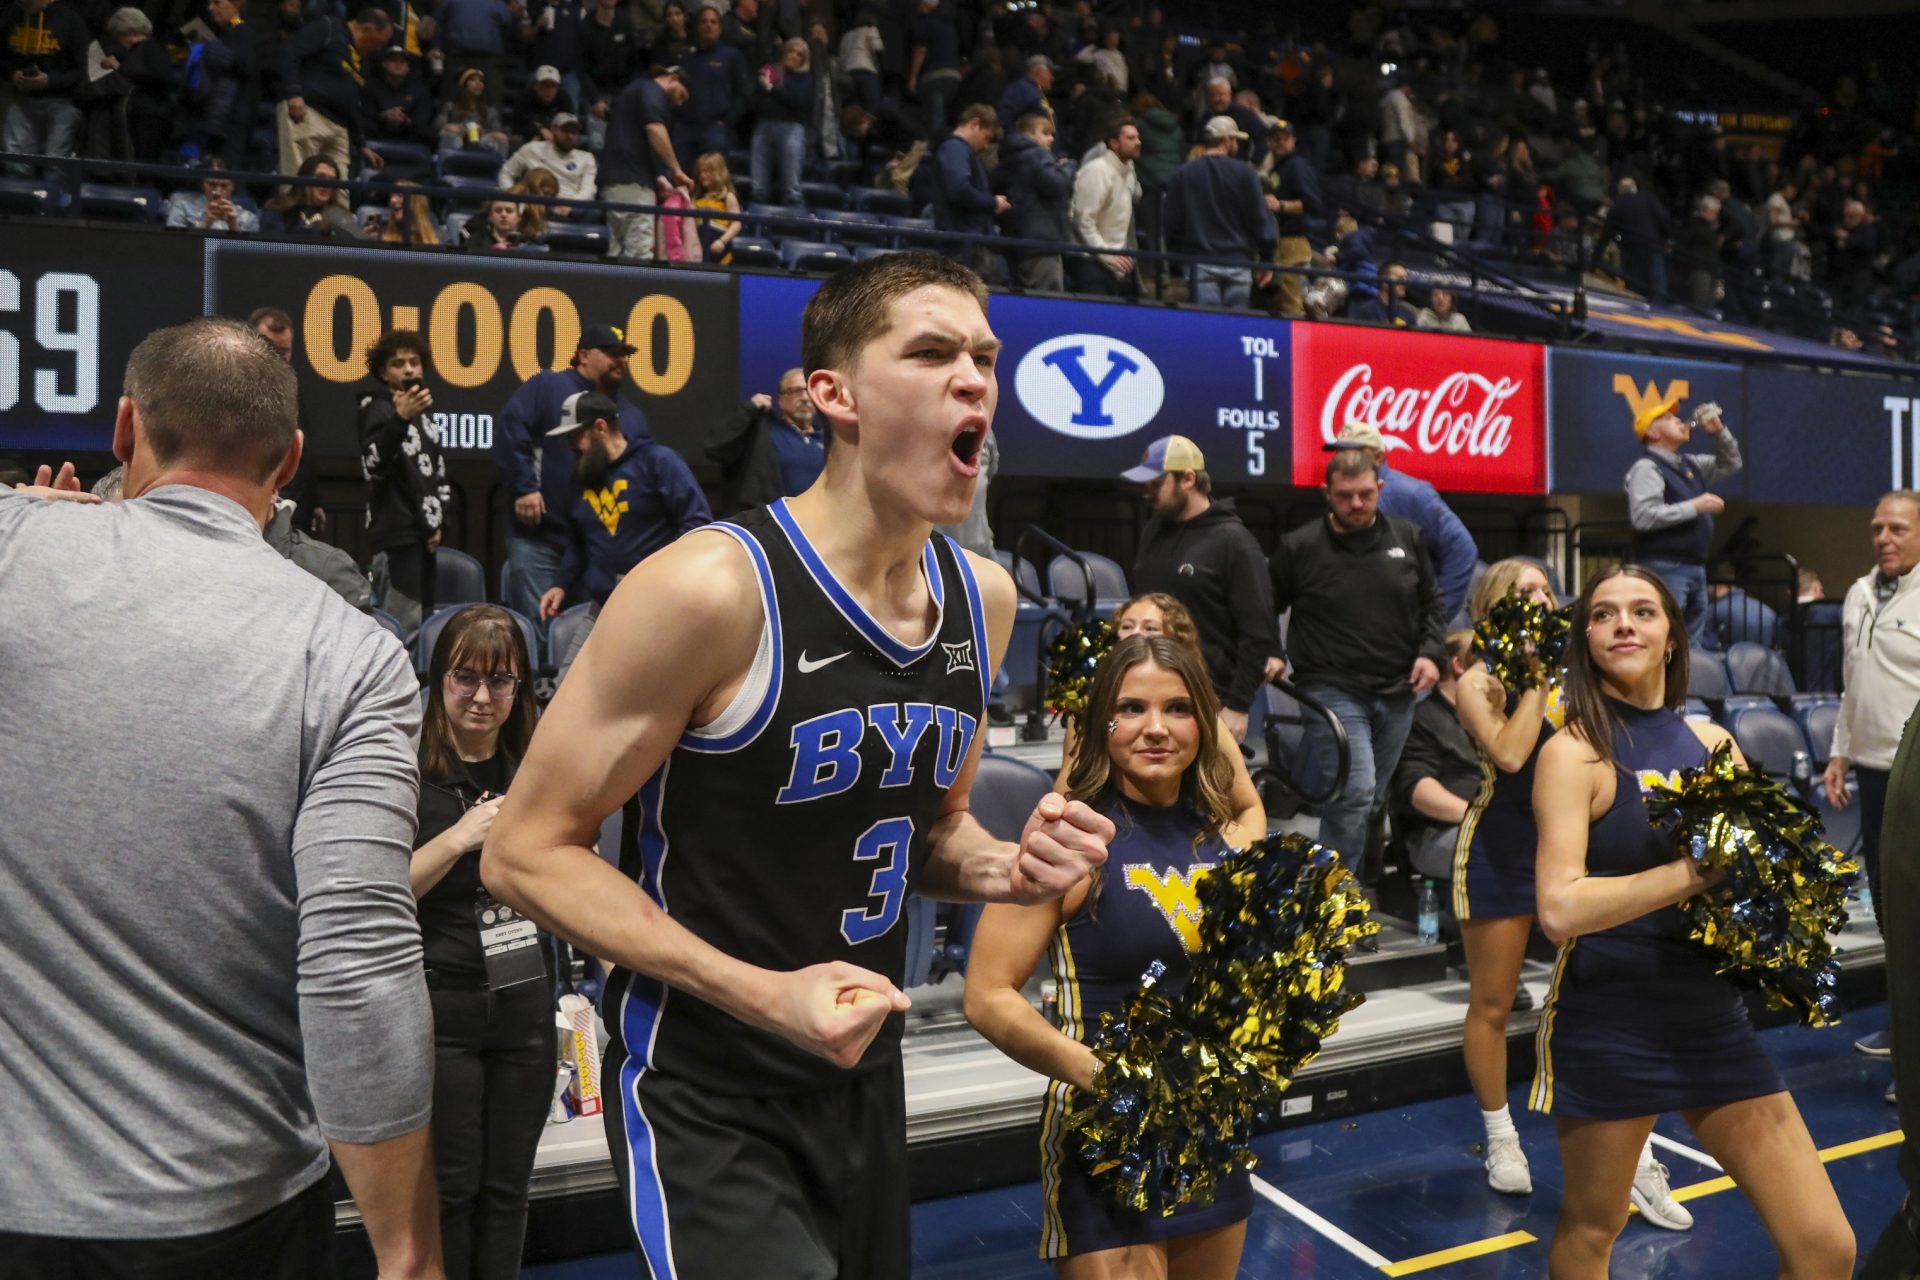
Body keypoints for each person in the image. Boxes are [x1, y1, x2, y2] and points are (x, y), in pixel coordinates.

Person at [481, 252, 1111, 1280]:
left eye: (986, 358)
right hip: (706, 1082)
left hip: (863, 1069)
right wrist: (762, 994)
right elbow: (525, 852)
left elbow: (932, 828)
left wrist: (1003, 866)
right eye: (933, 351)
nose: (976, 380)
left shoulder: (984, 600)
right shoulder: (706, 588)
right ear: (833, 394)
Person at [0, 318, 440, 1278]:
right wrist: (408, 1251)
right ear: (287, 463)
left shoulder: (13, 546)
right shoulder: (353, 656)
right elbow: (357, 963)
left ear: (124, 431)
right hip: (229, 1210)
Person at [1530, 566, 1854, 1279]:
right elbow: (1558, 908)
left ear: (1672, 637)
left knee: (1826, 1247)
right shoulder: (1573, 751)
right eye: (1604, 614)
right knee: (1592, 1230)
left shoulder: (1714, 743)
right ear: (1585, 639)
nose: (1624, 624)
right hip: (1611, 1020)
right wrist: (1692, 874)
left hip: (1711, 1017)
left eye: (1643, 611)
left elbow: (1747, 885)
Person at [966, 634, 1252, 1275]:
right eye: (1132, 708)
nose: (1156, 728)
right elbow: (985, 994)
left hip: (1209, 1129)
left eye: (1179, 709)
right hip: (1105, 1135)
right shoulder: (1068, 839)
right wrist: (1108, 1078)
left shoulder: (1225, 838)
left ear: (1204, 725)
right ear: (1103, 723)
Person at [410, 606, 548, 1280]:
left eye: (502, 682)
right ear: (439, 679)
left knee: (508, 1193)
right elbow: (380, 892)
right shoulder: (404, 771)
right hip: (444, 1009)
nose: (483, 698)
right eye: (466, 678)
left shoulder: (537, 772)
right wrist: (461, 836)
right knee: (454, 1192)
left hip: (524, 1002)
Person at [1269, 449, 1446, 886]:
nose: (1356, 504)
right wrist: (1269, 651)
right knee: (1355, 792)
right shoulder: (1300, 546)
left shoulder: (1408, 536)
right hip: (1330, 686)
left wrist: (1431, 653)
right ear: (1326, 493)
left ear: (1380, 489)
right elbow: (1261, 607)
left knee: (1370, 800)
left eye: (1365, 494)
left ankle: (1352, 889)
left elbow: (1432, 606)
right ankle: (1334, 898)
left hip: (1398, 687)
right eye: (1345, 496)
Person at [1054, 593, 1264, 839]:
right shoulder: (1092, 715)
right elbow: (1066, 799)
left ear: (1176, 640)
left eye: (1150, 628)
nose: (1136, 635)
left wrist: (1246, 862)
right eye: (1127, 626)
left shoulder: (1202, 716)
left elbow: (1248, 806)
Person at [538, 390, 712, 674]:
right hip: (602, 607)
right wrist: (560, 584)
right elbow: (580, 544)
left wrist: (652, 574)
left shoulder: (657, 462)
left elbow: (698, 523)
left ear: (600, 428)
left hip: (656, 608)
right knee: (565, 688)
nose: (571, 446)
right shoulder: (583, 477)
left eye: (575, 436)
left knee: (645, 692)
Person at [1124, 434, 1276, 743]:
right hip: (1150, 686)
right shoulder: (1153, 529)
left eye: (1155, 483)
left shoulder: (1234, 542)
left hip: (1207, 696)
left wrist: (1237, 706)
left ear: (1189, 479)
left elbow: (1257, 634)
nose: (1146, 492)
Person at [493, 322, 645, 623]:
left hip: (595, 546)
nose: (621, 360)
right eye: (611, 352)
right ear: (584, 355)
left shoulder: (630, 416)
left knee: (593, 633)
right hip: (539, 537)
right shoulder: (549, 386)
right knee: (538, 632)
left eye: (625, 354)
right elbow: (510, 430)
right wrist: (525, 487)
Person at [1825, 491, 1920, 949]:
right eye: (1877, 529)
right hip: (1872, 767)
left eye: (1898, 529)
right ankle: (1900, 1013)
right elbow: (1852, 681)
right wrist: (1840, 752)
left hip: (1915, 772)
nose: (1883, 538)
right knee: (1884, 892)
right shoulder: (1857, 595)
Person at [1325, 421, 1479, 621]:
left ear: (1378, 457)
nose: (1343, 460)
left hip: (1399, 624)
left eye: (1353, 453)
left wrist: (1436, 618)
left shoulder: (1411, 494)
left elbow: (1462, 549)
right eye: (1339, 453)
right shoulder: (1343, 494)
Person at [1624, 395, 1742, 650]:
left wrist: (1718, 432)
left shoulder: (1689, 464)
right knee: (1664, 639)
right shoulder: (1647, 467)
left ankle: (1688, 689)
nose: (1679, 420)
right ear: (1653, 432)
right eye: (1668, 418)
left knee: (1691, 645)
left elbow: (1731, 462)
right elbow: (1644, 517)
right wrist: (1695, 506)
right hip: (1665, 567)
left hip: (1695, 567)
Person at [359, 327, 450, 634]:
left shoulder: (425, 416)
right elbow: (374, 463)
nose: (409, 368)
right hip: (395, 535)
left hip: (424, 536)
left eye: (414, 361)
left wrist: (437, 523)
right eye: (398, 363)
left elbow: (436, 474)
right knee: (399, 630)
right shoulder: (375, 408)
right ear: (384, 372)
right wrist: (400, 418)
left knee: (423, 625)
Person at [1389, 629, 1482, 885]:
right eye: (1487, 664)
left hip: (1494, 826)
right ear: (1459, 665)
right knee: (1506, 848)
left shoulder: (1492, 719)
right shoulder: (1422, 718)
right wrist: (1479, 817)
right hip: (1438, 833)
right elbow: (1418, 789)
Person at [1164, 116, 1275, 309]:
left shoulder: (1183, 174)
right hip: (1239, 262)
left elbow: (1171, 223)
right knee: (1235, 330)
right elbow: (1259, 218)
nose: (1238, 145)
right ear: (1227, 140)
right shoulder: (1246, 174)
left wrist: (1180, 254)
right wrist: (1266, 258)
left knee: (1207, 330)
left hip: (1199, 261)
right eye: (1236, 140)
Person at [278, 6, 391, 191]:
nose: (377, 49)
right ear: (367, 29)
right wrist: (293, 93)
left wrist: (361, 143)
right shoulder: (328, 27)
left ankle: (336, 221)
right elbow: (291, 54)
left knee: (339, 191)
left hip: (340, 127)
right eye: (377, 43)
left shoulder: (363, 60)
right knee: (299, 183)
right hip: (309, 113)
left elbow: (353, 100)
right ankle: (295, 219)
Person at [601, 63, 692, 263]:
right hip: (633, 184)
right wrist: (676, 170)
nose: (680, 103)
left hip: (617, 181)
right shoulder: (651, 90)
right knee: (638, 255)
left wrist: (659, 176)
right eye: (682, 95)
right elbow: (655, 128)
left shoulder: (634, 90)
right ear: (673, 78)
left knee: (617, 253)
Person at [705, 367, 826, 515]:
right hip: (771, 524)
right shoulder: (762, 432)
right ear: (781, 401)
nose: (805, 398)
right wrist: (748, 409)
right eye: (796, 391)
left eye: (809, 391)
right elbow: (715, 447)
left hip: (820, 525)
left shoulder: (831, 440)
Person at [0, 0, 87, 176]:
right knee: (15, 162)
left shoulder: (71, 20)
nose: (22, 3)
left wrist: (50, 81)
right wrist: (12, 74)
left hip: (62, 101)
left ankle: (52, 201)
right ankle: (21, 201)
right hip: (22, 99)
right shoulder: (12, 14)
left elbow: (82, 69)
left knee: (55, 163)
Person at [995, 110, 1074, 293]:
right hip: (1041, 242)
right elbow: (1054, 184)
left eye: (1052, 134)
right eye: (1045, 133)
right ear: (1028, 135)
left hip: (1020, 240)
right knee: (1048, 301)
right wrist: (1069, 167)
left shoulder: (1009, 157)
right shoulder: (1036, 155)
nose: (1051, 139)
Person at [931, 104, 1009, 280]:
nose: (985, 146)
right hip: (964, 247)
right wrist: (992, 203)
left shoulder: (958, 150)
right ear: (975, 124)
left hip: (969, 244)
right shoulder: (954, 149)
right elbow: (959, 190)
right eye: (986, 137)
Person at [1069, 113, 1140, 297]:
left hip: (1114, 263)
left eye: (1138, 137)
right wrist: (1107, 255)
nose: (1138, 142)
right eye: (1130, 138)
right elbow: (1084, 221)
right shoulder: (1097, 171)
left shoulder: (1129, 171)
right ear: (1114, 143)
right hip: (1089, 262)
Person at [1259, 118, 1318, 319]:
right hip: (1279, 240)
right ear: (1269, 142)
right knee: (1279, 300)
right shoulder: (1278, 168)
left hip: (1292, 241)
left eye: (1285, 139)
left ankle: (1297, 347)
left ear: (1293, 141)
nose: (1280, 143)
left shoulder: (1297, 166)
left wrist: (1281, 205)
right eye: (1276, 139)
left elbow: (1312, 203)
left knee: (1290, 301)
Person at [751, 37, 813, 209]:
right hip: (764, 126)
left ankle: (795, 231)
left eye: (799, 54)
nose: (793, 55)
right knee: (758, 189)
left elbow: (797, 101)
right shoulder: (770, 70)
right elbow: (757, 100)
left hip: (791, 129)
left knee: (791, 190)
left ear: (804, 59)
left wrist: (771, 89)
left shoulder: (805, 78)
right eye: (791, 51)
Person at [499, 110, 597, 207]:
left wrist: (570, 205)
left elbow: (589, 189)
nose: (570, 136)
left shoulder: (586, 158)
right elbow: (506, 172)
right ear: (553, 130)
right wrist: (512, 196)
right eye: (565, 131)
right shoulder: (532, 148)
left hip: (570, 208)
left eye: (574, 132)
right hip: (533, 205)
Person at [261, 154, 369, 237]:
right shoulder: (280, 207)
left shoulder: (339, 215)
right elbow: (274, 246)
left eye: (332, 181)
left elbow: (354, 248)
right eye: (320, 177)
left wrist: (366, 238)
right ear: (305, 178)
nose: (326, 185)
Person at [363, 42, 435, 145]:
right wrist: (384, 115)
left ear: (408, 68)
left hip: (409, 135)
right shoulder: (372, 87)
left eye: (402, 62)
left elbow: (422, 119)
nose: (398, 64)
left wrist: (405, 120)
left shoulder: (420, 90)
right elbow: (367, 113)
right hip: (379, 131)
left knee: (428, 133)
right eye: (393, 60)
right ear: (384, 64)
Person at [165, 156, 260, 232]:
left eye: (224, 185)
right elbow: (174, 244)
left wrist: (233, 225)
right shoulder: (182, 208)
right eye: (212, 184)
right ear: (202, 184)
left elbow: (250, 252)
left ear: (232, 186)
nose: (217, 190)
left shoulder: (249, 218)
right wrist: (206, 223)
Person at [1706, 561, 1781, 650]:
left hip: (1730, 661)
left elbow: (1705, 645)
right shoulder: (1766, 609)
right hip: (1765, 661)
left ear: (1715, 586)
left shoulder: (1713, 611)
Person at [690, 149, 741, 262]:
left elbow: (736, 224)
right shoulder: (696, 198)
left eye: (706, 171)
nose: (702, 175)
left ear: (718, 172)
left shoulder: (727, 197)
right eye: (700, 172)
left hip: (719, 245)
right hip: (698, 245)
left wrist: (722, 241)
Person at [996, 52, 1054, 134]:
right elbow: (1005, 116)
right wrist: (1017, 140)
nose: (1052, 78)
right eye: (1050, 73)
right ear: (1039, 72)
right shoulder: (1021, 89)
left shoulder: (1035, 90)